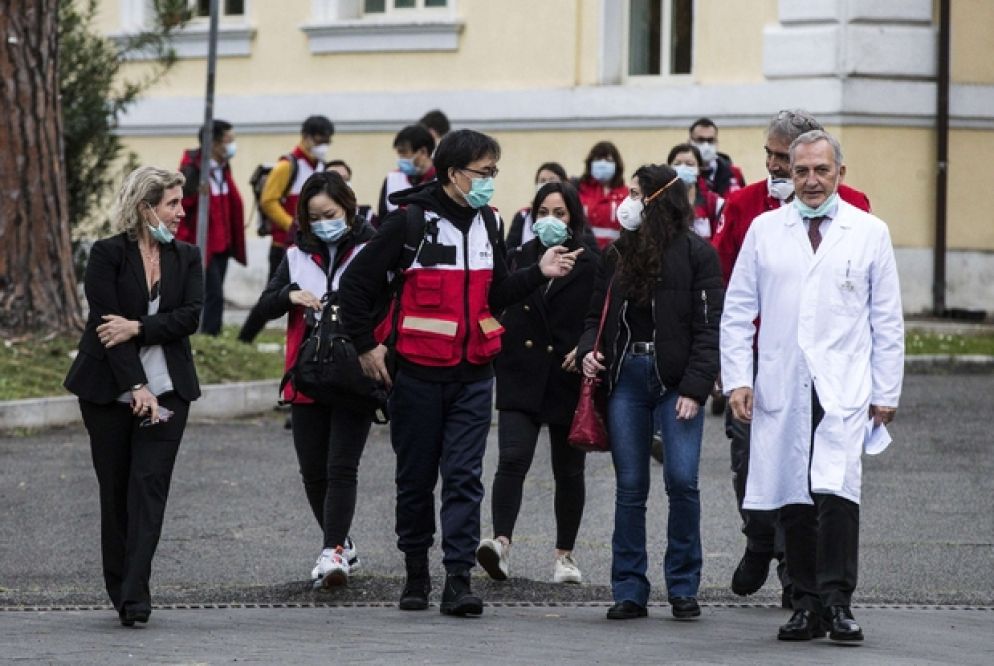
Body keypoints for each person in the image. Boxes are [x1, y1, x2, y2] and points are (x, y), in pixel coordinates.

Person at [338, 129, 580, 617]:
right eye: (483, 173)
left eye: (495, 172)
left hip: (474, 373)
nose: (492, 181)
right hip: (419, 374)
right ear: (453, 174)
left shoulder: (489, 222)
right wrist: (366, 347)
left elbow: (495, 295)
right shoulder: (408, 222)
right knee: (416, 477)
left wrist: (540, 271)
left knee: (466, 478)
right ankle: (415, 575)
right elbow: (355, 286)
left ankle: (457, 580)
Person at [720, 129, 904, 642]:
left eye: (821, 170)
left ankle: (838, 602)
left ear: (839, 173)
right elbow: (738, 312)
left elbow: (887, 320)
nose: (811, 180)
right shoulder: (764, 230)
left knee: (838, 494)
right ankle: (804, 602)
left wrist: (886, 391)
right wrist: (738, 377)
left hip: (843, 385)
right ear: (788, 174)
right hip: (783, 381)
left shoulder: (869, 232)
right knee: (793, 497)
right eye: (801, 171)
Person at [578, 164, 723, 621]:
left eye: (637, 193)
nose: (628, 201)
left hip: (677, 383)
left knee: (682, 481)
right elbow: (593, 318)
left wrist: (696, 389)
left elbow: (708, 329)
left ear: (659, 200)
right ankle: (629, 588)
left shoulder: (698, 254)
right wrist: (589, 351)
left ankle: (683, 586)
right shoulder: (617, 253)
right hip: (626, 378)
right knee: (631, 486)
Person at [64, 166, 203, 627]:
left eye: (181, 203)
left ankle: (135, 593)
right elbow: (107, 327)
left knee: (149, 488)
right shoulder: (107, 255)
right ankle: (119, 584)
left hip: (170, 390)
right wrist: (135, 386)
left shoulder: (187, 256)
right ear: (146, 208)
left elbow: (189, 318)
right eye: (172, 203)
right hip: (108, 393)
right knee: (117, 491)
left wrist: (140, 326)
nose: (181, 212)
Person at [252, 171, 380, 589]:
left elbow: (390, 303)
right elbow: (266, 305)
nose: (324, 222)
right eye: (314, 217)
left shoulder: (371, 249)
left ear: (348, 207)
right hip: (307, 375)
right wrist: (289, 295)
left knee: (342, 466)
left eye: (331, 213)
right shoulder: (295, 256)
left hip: (354, 375)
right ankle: (340, 541)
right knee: (312, 471)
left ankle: (331, 553)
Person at [477, 181, 599, 584]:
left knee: (569, 471)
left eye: (559, 213)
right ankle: (500, 544)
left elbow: (599, 317)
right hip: (521, 371)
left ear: (574, 218)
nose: (550, 221)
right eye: (543, 212)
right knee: (512, 457)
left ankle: (565, 555)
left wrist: (584, 349)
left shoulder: (591, 263)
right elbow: (494, 300)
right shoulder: (517, 258)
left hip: (566, 375)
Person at [238, 115, 334, 343]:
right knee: (273, 296)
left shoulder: (320, 168)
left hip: (312, 244)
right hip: (284, 244)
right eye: (320, 140)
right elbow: (268, 200)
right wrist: (293, 224)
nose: (324, 146)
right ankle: (245, 338)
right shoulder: (287, 166)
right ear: (306, 137)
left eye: (327, 141)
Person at [176, 119, 245, 335]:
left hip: (223, 242)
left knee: (215, 291)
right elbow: (182, 205)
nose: (232, 145)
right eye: (228, 140)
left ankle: (212, 333)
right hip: (203, 243)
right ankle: (208, 334)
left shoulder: (223, 169)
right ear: (214, 144)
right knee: (212, 293)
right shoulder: (192, 170)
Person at [377, 124, 437, 220]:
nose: (401, 159)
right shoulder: (392, 179)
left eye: (404, 153)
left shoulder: (442, 181)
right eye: (399, 154)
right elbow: (382, 218)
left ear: (423, 152)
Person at [576, 141, 628, 249]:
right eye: (598, 159)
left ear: (616, 165)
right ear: (590, 163)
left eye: (608, 160)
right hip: (584, 253)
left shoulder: (625, 194)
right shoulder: (579, 190)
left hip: (615, 254)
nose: (603, 163)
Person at [505, 161, 567, 250]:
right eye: (542, 181)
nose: (547, 184)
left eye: (552, 180)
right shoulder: (523, 216)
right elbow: (509, 252)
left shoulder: (574, 213)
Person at [668, 142, 723, 241]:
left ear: (699, 169)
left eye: (689, 164)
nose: (683, 168)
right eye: (677, 164)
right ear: (669, 168)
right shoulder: (660, 202)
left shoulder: (714, 203)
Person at [689, 117, 746, 197]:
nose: (706, 146)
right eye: (700, 140)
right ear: (690, 142)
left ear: (716, 142)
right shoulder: (685, 174)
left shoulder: (734, 173)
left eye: (710, 140)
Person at [327, 159, 377, 227]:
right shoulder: (314, 216)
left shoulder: (366, 215)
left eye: (345, 179)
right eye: (334, 179)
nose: (340, 183)